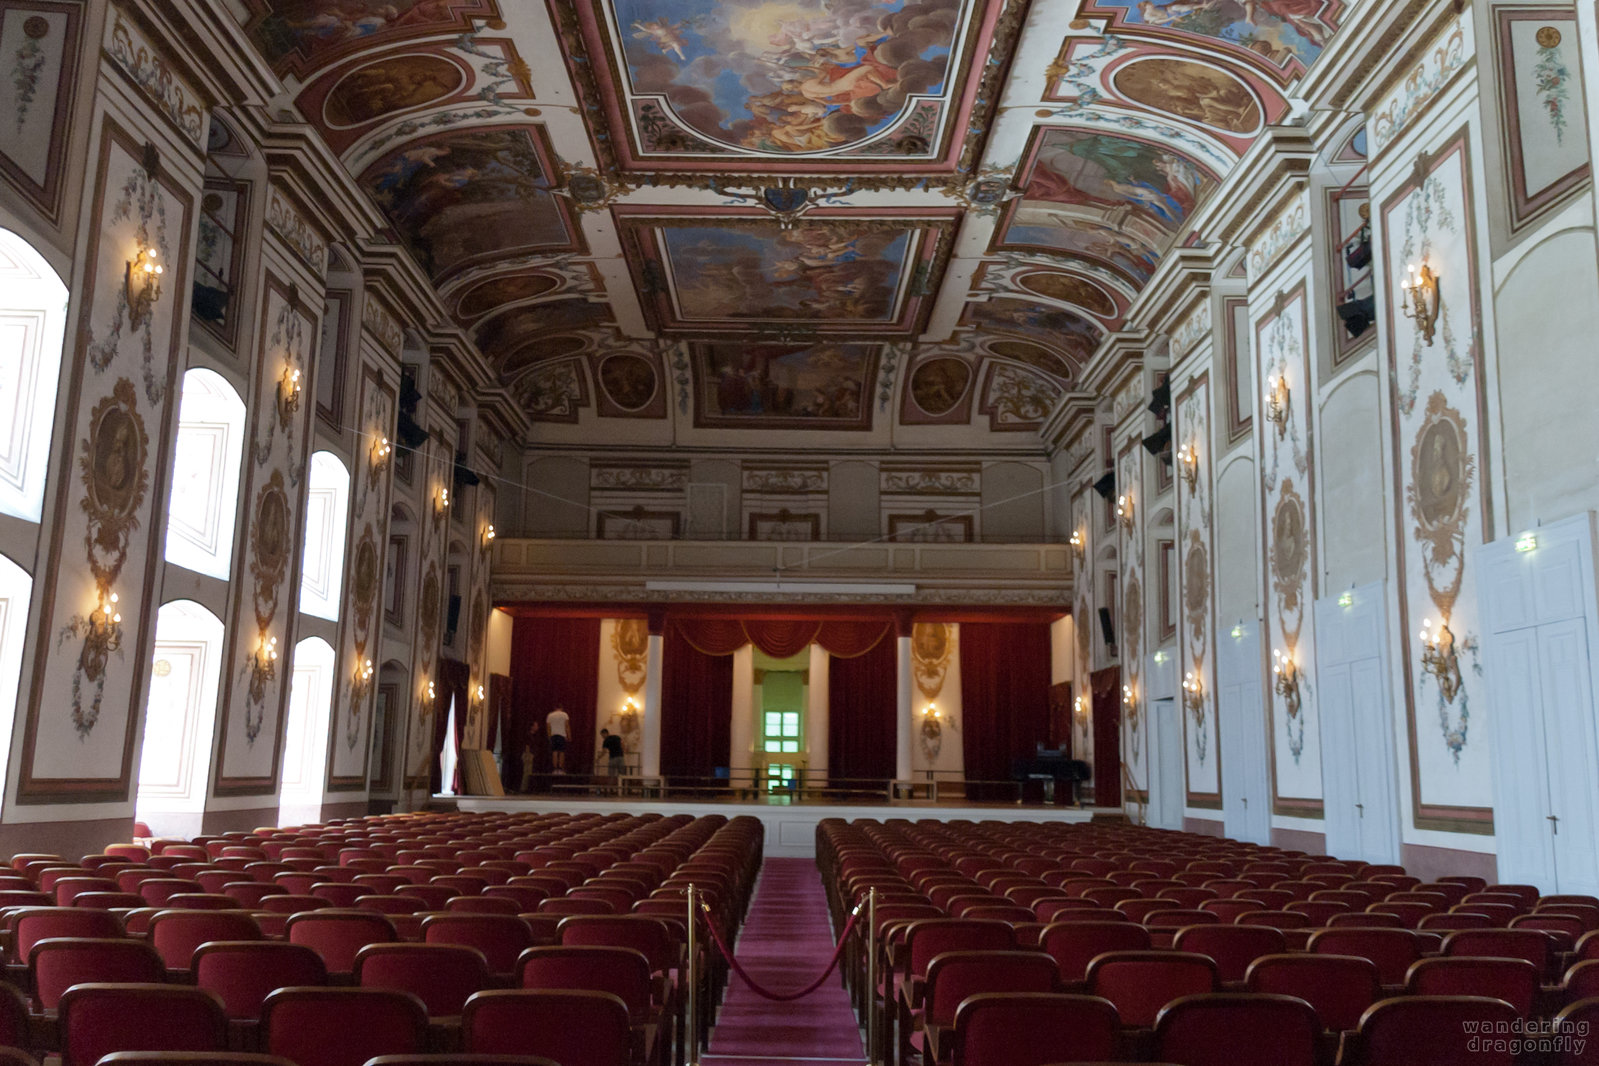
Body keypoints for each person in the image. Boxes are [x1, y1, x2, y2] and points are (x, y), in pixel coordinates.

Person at [546, 706, 570, 773]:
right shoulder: (564, 714)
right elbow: (567, 726)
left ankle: (555, 768)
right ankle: (560, 767)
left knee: (554, 752)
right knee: (562, 752)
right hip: (562, 735)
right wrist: (569, 736)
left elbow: (548, 727)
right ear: (561, 708)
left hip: (553, 735)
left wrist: (549, 737)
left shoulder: (550, 715)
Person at [519, 720, 540, 792]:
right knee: (527, 773)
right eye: (536, 725)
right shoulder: (528, 735)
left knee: (528, 772)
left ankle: (526, 787)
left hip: (530, 754)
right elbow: (527, 745)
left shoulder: (533, 736)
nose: (537, 727)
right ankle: (523, 788)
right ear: (532, 727)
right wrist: (528, 755)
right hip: (528, 754)